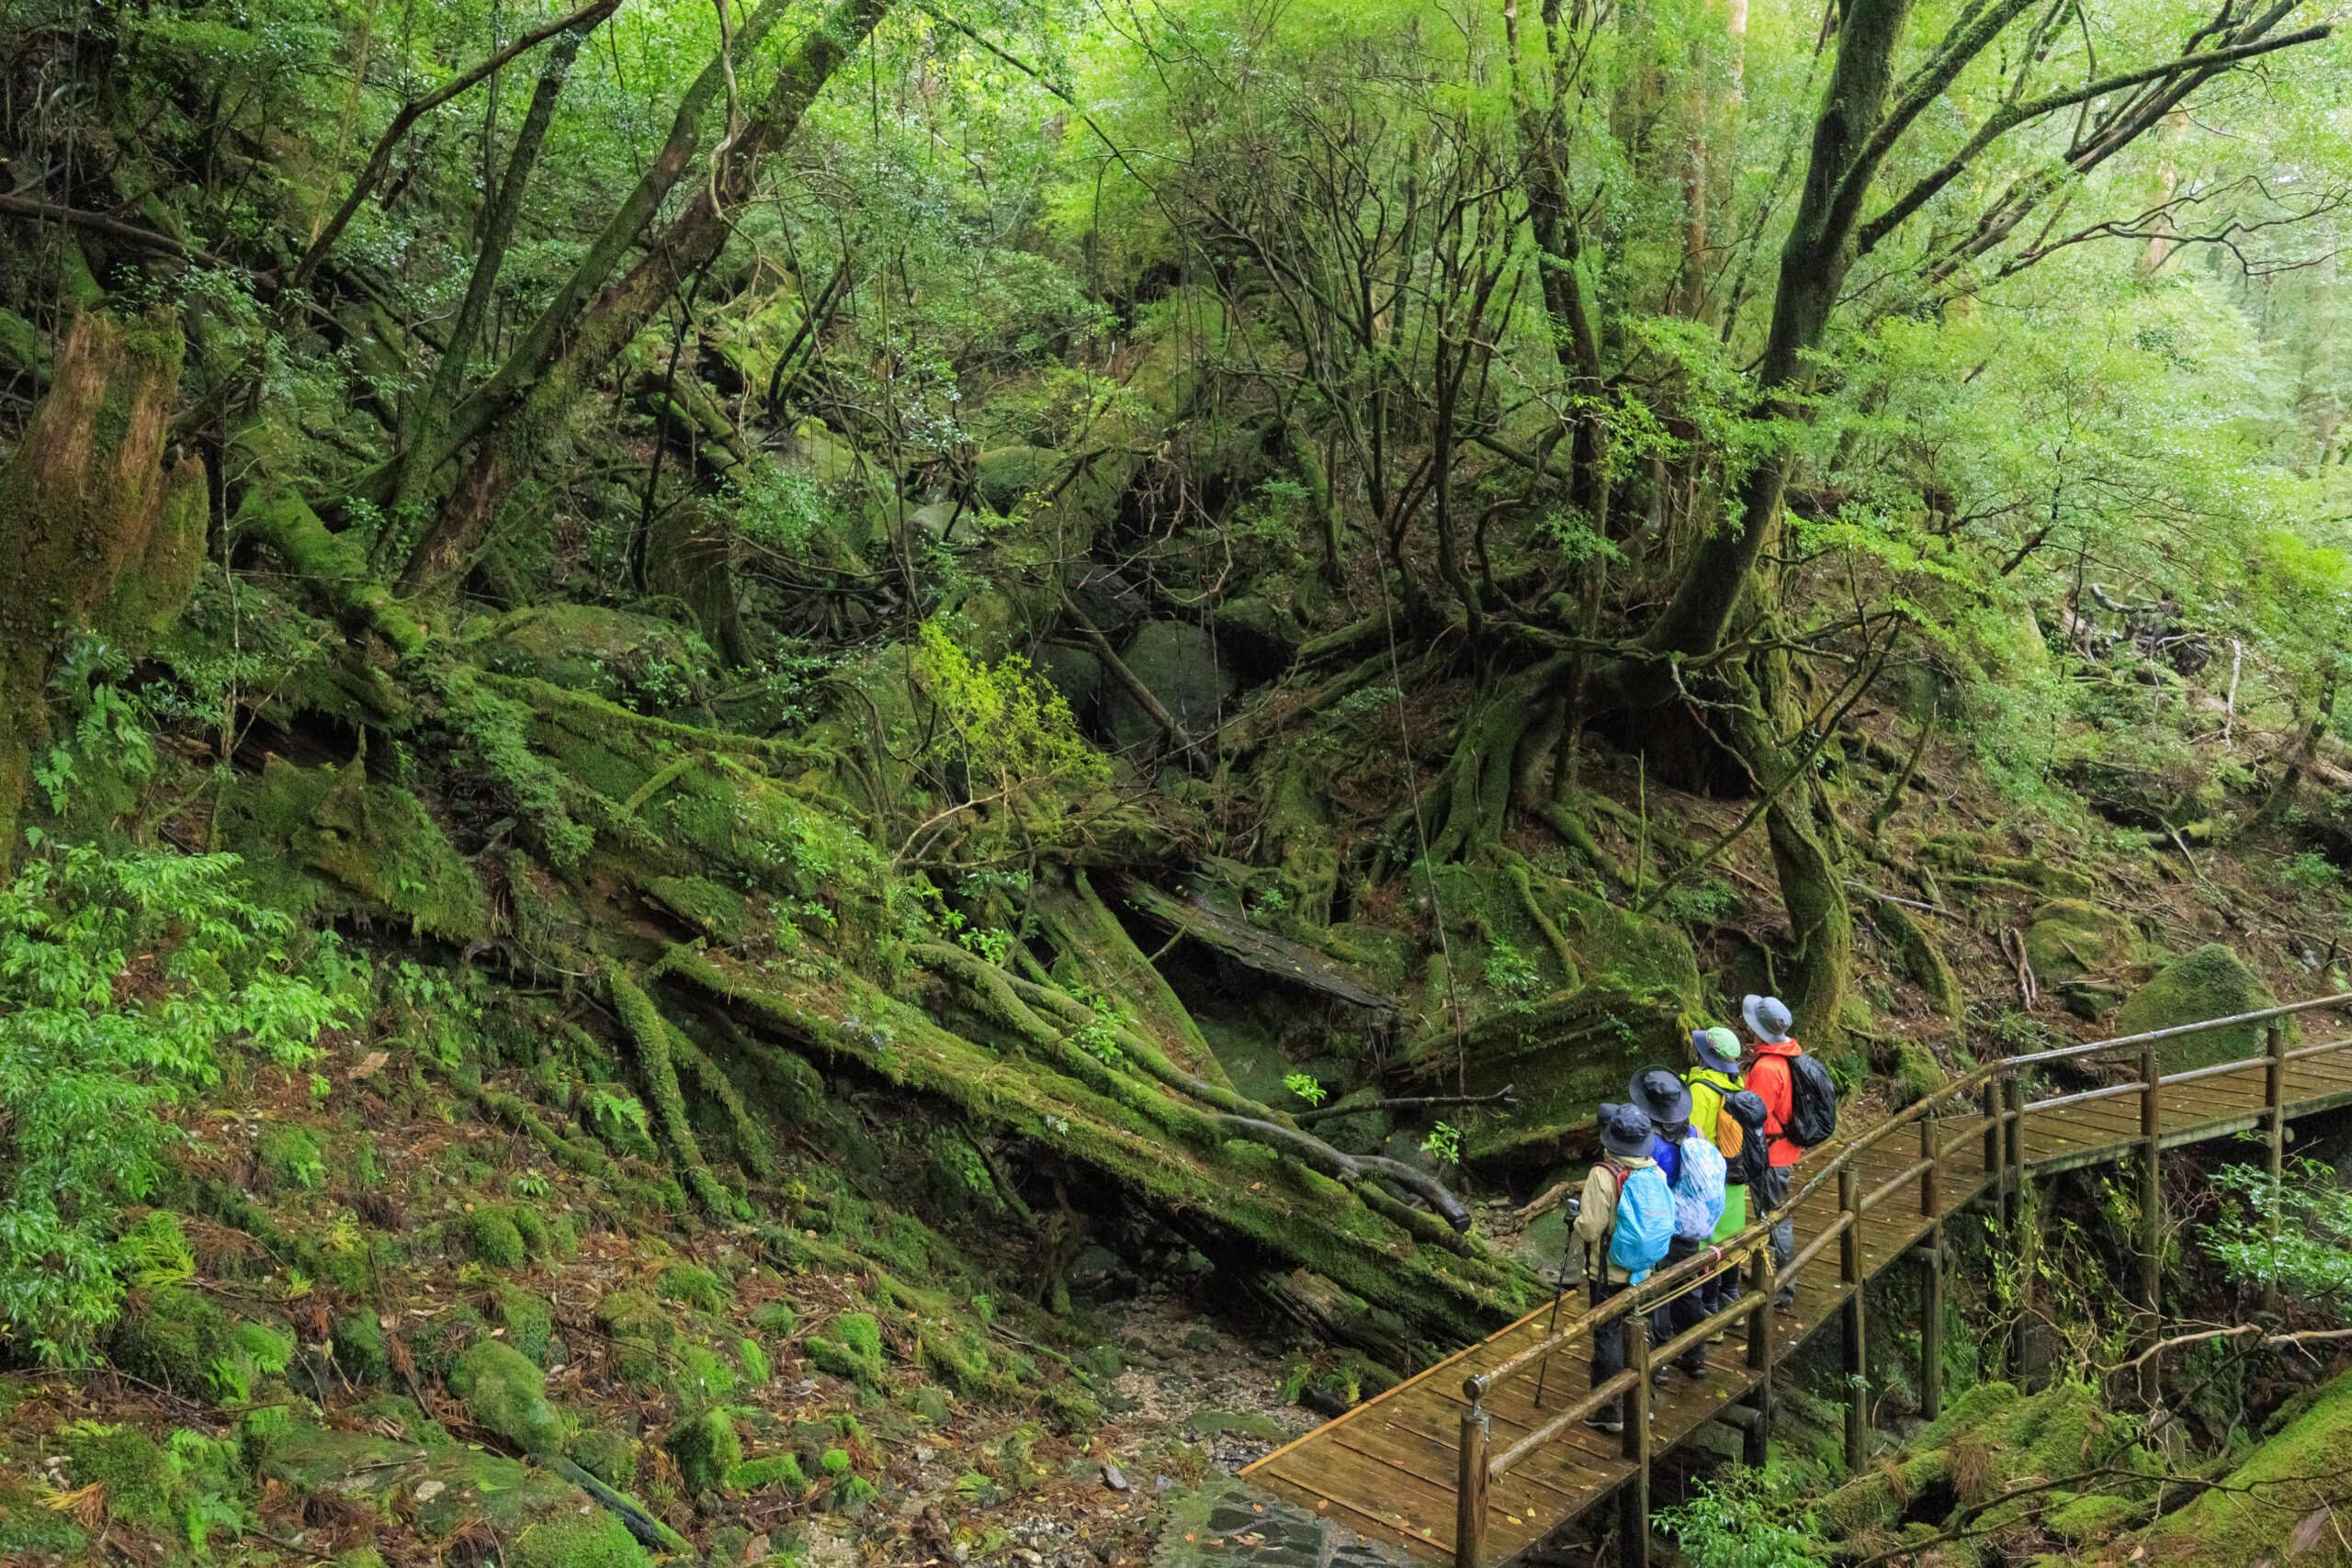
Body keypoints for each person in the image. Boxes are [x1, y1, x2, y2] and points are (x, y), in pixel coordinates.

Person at [1574, 1102, 1671, 1433]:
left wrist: (1574, 1221)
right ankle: (1640, 1403)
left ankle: (1608, 1409)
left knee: (1608, 1335)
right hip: (1644, 1270)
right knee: (1638, 1331)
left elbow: (1590, 1229)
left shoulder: (1603, 1175)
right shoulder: (1656, 1171)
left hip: (1609, 1272)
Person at [1630, 1066, 1720, 1385]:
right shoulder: (1696, 1132)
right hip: (1690, 1222)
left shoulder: (1647, 1142)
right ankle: (1695, 1356)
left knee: (1658, 1292)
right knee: (1689, 1287)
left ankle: (1659, 1361)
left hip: (1657, 1223)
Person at [1741, 994, 1806, 1307]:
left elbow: (1756, 1114)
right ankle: (1767, 1270)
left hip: (1771, 1155)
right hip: (1783, 1150)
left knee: (1776, 1218)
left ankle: (1783, 1285)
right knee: (1771, 1215)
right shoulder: (1787, 1056)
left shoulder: (1767, 1067)